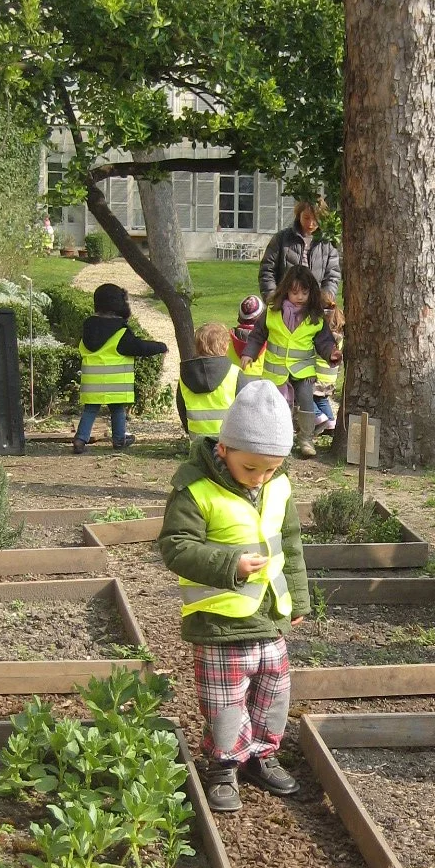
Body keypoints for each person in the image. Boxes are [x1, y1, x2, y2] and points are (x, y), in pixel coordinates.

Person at [157, 381, 310, 814]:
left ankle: (261, 753)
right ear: (223, 449)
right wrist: (230, 565)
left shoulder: (279, 485)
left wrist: (297, 599)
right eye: (251, 468)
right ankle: (223, 764)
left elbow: (291, 543)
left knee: (273, 691)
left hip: (270, 615)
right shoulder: (194, 488)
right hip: (221, 623)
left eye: (271, 468)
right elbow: (176, 547)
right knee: (225, 702)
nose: (261, 477)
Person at [241, 268, 338, 459]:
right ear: (285, 291)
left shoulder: (315, 317)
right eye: (294, 292)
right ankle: (279, 439)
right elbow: (257, 335)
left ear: (311, 293)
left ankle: (306, 440)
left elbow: (324, 341)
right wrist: (249, 353)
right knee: (277, 405)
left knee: (306, 403)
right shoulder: (272, 312)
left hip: (303, 370)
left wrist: (331, 354)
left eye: (304, 292)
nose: (299, 297)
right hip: (276, 369)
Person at [73, 282, 168, 454]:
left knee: (90, 409)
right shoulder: (121, 330)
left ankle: (80, 439)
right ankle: (119, 440)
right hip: (115, 383)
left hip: (91, 381)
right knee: (117, 409)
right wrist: (160, 346)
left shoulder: (88, 326)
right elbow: (138, 347)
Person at [259, 200, 341, 301]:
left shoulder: (327, 243)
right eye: (306, 218)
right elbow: (267, 270)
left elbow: (332, 275)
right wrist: (271, 297)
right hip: (284, 303)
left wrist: (326, 297)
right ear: (299, 215)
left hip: (314, 305)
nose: (311, 223)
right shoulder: (281, 239)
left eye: (315, 219)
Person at [177, 322, 244, 439]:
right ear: (225, 346)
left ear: (197, 346)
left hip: (197, 441)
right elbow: (244, 409)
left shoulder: (185, 375)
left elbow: (181, 408)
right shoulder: (235, 373)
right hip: (228, 442)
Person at [313, 303, 345, 435]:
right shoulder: (340, 337)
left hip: (318, 375)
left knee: (305, 398)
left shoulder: (322, 337)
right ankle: (331, 423)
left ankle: (319, 417)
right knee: (322, 399)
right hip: (331, 377)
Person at [232, 295, 267, 377]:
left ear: (240, 316)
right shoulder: (268, 339)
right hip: (262, 383)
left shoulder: (227, 339)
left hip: (236, 383)